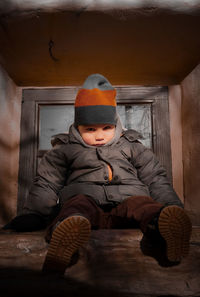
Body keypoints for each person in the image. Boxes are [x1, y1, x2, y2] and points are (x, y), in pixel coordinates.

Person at [3, 74, 192, 274]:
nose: (99, 135)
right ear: (78, 127)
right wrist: (35, 214)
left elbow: (155, 178)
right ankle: (68, 232)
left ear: (115, 124)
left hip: (127, 207)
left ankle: (165, 225)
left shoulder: (132, 146)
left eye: (106, 128)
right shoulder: (65, 149)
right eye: (90, 129)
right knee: (76, 205)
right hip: (87, 208)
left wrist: (171, 205)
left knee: (142, 204)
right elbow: (47, 182)